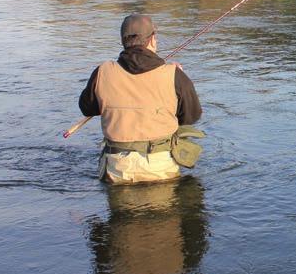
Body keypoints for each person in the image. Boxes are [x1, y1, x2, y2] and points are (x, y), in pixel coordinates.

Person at [79, 13, 203, 184]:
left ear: (123, 41)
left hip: (117, 169)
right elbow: (191, 116)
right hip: (161, 168)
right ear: (152, 40)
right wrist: (177, 77)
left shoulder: (102, 72)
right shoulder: (174, 75)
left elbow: (87, 109)